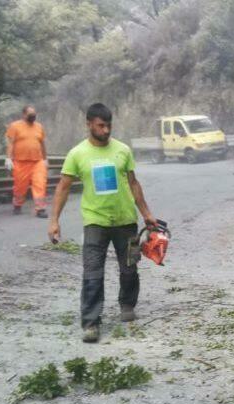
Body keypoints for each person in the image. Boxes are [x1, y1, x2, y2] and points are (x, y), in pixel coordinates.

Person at [48, 103, 158, 343]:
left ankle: (127, 305)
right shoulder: (77, 154)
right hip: (95, 222)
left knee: (129, 267)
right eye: (101, 125)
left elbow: (133, 183)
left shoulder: (123, 150)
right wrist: (54, 220)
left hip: (125, 220)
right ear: (89, 124)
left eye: (109, 125)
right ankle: (90, 322)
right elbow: (63, 187)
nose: (106, 130)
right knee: (92, 272)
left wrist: (146, 213)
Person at [5, 105, 49, 218]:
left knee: (40, 184)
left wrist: (45, 159)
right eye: (30, 114)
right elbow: (11, 143)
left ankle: (40, 209)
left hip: (37, 162)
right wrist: (8, 158)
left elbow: (42, 144)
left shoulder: (39, 127)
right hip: (20, 162)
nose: (33, 116)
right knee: (20, 186)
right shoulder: (15, 126)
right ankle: (17, 205)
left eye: (34, 114)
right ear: (24, 114)